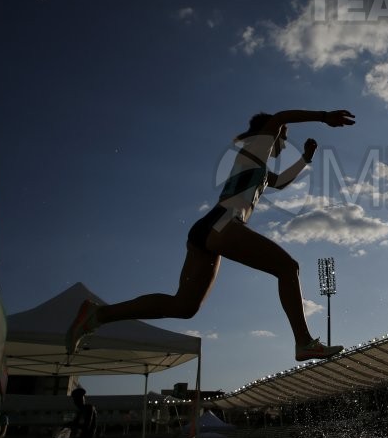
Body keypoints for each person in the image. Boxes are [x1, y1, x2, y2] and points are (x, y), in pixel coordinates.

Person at [65, 109, 355, 362]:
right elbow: (280, 117)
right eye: (284, 136)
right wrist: (323, 116)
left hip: (208, 228)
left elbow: (279, 183)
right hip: (223, 223)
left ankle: (97, 316)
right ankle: (303, 341)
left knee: (184, 306)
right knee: (288, 267)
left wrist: (305, 158)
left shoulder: (258, 166)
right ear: (273, 134)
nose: (284, 142)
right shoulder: (256, 147)